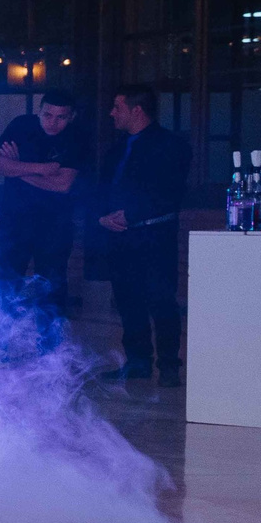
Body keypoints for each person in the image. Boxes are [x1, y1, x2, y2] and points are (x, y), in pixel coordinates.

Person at [99, 83, 190, 385]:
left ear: (136, 110)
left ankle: (169, 366)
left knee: (161, 300)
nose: (112, 113)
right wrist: (102, 217)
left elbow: (169, 192)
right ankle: (138, 362)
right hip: (120, 237)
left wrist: (132, 214)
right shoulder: (117, 149)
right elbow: (103, 189)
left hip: (154, 237)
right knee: (128, 301)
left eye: (117, 107)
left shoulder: (170, 145)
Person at [0, 89, 84, 313]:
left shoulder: (76, 137)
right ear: (39, 111)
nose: (53, 123)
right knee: (3, 286)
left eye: (61, 117)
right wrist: (41, 169)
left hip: (54, 225)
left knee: (51, 290)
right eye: (47, 115)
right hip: (13, 221)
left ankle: (50, 337)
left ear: (71, 117)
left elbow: (62, 184)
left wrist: (16, 169)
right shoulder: (22, 125)